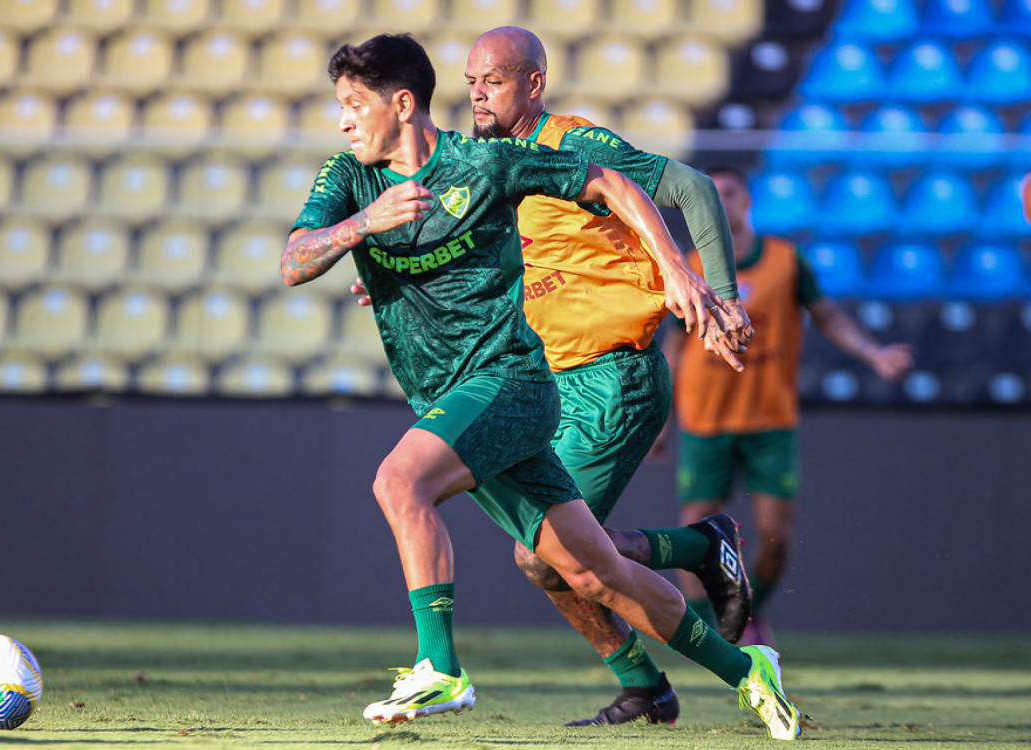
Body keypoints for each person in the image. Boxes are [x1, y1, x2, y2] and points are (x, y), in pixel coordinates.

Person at [283, 33, 800, 740]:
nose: (478, 96)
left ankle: (443, 667)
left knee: (402, 484)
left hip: (553, 376)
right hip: (498, 383)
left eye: (353, 105)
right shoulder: (369, 175)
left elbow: (658, 186)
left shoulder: (523, 155)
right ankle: (739, 667)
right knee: (583, 567)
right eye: (472, 81)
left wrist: (691, 279)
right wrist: (376, 242)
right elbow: (299, 259)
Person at [657, 165, 914, 646]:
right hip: (706, 419)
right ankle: (706, 630)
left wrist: (875, 355)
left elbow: (829, 317)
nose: (720, 203)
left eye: (728, 193)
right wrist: (661, 419)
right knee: (693, 530)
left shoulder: (786, 262)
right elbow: (674, 346)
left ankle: (749, 613)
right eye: (711, 196)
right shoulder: (687, 265)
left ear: (747, 201)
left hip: (770, 421)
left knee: (775, 541)